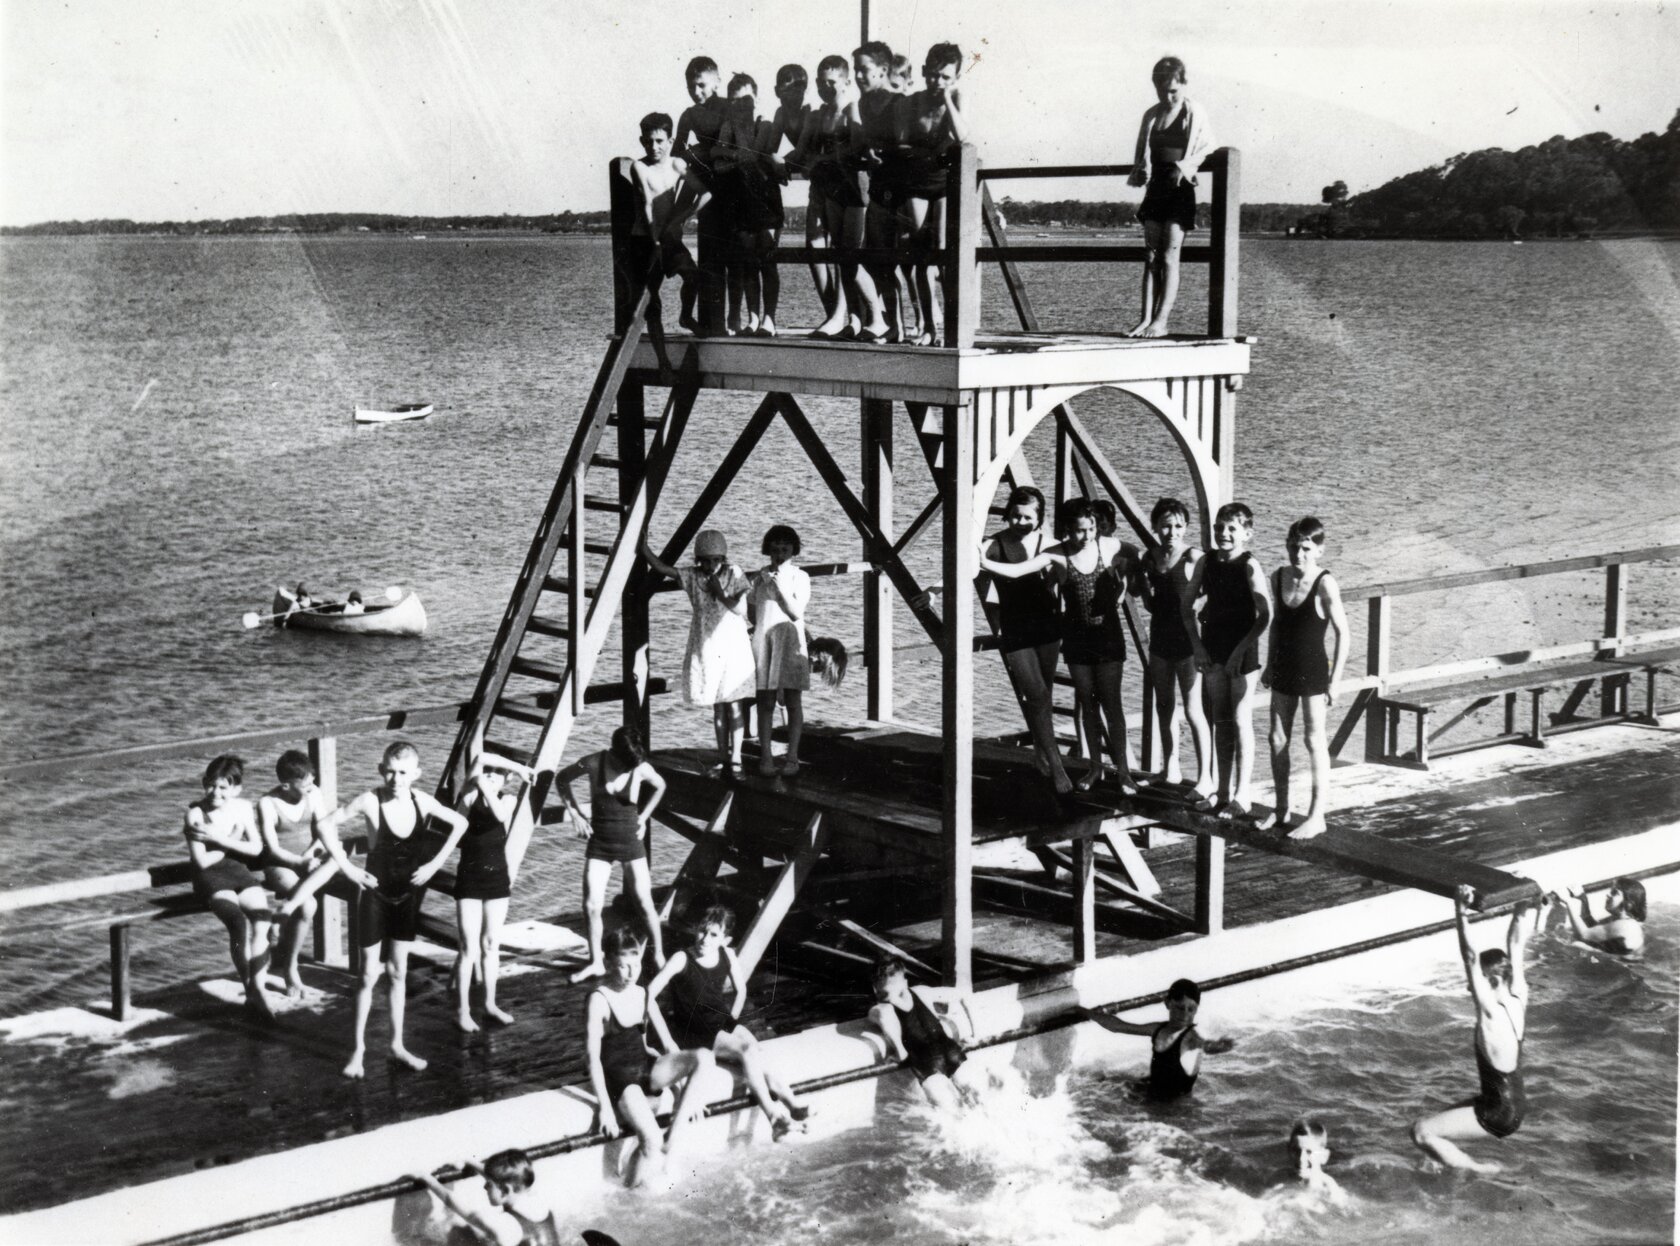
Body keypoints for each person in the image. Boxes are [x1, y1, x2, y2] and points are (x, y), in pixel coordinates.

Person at [315, 740, 468, 1079]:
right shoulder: (370, 800)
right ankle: (358, 1050)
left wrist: (433, 865)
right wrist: (349, 869)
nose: (395, 778)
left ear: (415, 774)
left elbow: (460, 824)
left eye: (402, 772)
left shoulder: (422, 801)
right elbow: (325, 824)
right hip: (375, 896)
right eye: (389, 771)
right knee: (369, 974)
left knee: (398, 972)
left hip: (407, 898)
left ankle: (397, 1045)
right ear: (380, 769)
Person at [979, 497, 1147, 798]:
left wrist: (1128, 585)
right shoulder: (1056, 554)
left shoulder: (1109, 547)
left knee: (1113, 705)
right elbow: (1020, 571)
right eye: (1080, 531)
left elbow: (1138, 557)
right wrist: (984, 562)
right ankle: (1095, 768)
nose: (1087, 536)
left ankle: (1123, 773)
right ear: (1068, 529)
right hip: (1077, 637)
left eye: (1092, 529)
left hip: (1108, 636)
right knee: (1087, 704)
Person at [1411, 886, 1546, 1173]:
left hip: (1497, 1113)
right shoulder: (1518, 994)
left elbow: (1470, 957)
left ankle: (1481, 1170)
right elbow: (1516, 944)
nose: (1469, 986)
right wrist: (1522, 901)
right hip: (1511, 1104)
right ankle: (1442, 1168)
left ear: (1491, 982)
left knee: (1421, 1131)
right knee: (1434, 1124)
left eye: (1476, 982)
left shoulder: (1490, 1012)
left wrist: (1460, 910)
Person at [648, 906, 810, 1138]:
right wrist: (667, 1042)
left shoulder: (727, 954)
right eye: (702, 931)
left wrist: (731, 1021)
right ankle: (774, 1117)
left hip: (719, 1021)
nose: (704, 939)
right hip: (693, 1029)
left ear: (726, 939)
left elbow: (741, 990)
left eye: (713, 935)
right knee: (745, 1050)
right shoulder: (681, 959)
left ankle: (791, 1104)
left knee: (756, 1051)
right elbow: (648, 996)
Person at [585, 926, 714, 1187]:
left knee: (704, 1057)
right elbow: (592, 1059)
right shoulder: (599, 999)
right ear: (609, 964)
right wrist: (606, 1110)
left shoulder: (642, 993)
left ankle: (674, 1135)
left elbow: (669, 1044)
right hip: (620, 1079)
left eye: (636, 965)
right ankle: (629, 1195)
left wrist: (689, 1094)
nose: (632, 973)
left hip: (645, 1067)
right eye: (623, 966)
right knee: (651, 1140)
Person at [1258, 518, 1349, 839]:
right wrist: (1269, 664)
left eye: (1306, 548)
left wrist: (1335, 681)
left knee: (1313, 740)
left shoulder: (1325, 583)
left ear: (1319, 551)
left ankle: (1316, 816)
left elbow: (1344, 634)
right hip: (1283, 666)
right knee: (1277, 737)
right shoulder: (1278, 576)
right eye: (1294, 546)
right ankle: (1281, 808)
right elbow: (1277, 625)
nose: (1299, 553)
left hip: (1312, 671)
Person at [556, 726, 669, 979]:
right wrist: (575, 813)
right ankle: (596, 961)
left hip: (631, 840)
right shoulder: (594, 761)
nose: (630, 768)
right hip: (600, 841)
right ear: (615, 752)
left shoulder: (639, 767)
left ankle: (659, 953)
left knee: (644, 901)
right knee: (591, 904)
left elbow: (661, 786)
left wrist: (645, 818)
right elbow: (561, 779)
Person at [641, 528, 756, 775]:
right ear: (699, 559)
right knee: (717, 705)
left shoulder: (734, 573)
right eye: (706, 560)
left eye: (716, 560)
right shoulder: (693, 576)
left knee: (734, 704)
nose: (711, 565)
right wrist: (644, 548)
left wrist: (721, 593)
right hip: (707, 646)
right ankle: (723, 755)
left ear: (723, 558)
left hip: (733, 646)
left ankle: (736, 757)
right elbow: (663, 569)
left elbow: (741, 610)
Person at [1181, 502, 1270, 816]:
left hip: (1243, 651)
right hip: (1213, 646)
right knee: (1220, 719)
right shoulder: (1207, 562)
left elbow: (1265, 615)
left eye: (1232, 528)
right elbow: (1186, 606)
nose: (1224, 534)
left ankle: (1242, 794)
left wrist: (1239, 653)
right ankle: (1221, 792)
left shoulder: (1249, 565)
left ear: (1247, 533)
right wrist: (1198, 647)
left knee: (1241, 718)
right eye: (1219, 528)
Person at [450, 724, 534, 1032]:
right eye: (487, 772)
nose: (488, 777)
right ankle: (462, 1010)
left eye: (496, 775)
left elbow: (499, 816)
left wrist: (506, 777)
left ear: (506, 780)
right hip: (469, 879)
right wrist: (509, 769)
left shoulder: (508, 801)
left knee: (490, 943)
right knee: (467, 947)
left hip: (497, 879)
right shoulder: (469, 796)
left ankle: (489, 1003)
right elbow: (482, 756)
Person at [183, 754, 277, 1017]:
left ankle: (257, 989)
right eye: (211, 785)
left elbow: (257, 847)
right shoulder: (195, 813)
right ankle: (251, 990)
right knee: (238, 922)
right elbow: (201, 861)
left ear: (236, 789)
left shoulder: (243, 808)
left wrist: (221, 839)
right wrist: (229, 840)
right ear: (204, 783)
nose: (216, 792)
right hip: (210, 878)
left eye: (224, 787)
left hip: (238, 872)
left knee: (263, 919)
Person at [1131, 498, 1214, 797]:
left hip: (1189, 644)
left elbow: (1213, 592)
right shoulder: (1150, 559)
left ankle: (1206, 777)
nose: (1172, 531)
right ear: (1155, 526)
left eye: (1179, 526)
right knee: (1164, 706)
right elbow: (1152, 603)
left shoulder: (1194, 557)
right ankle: (1171, 768)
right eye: (1165, 525)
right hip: (1160, 642)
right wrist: (1141, 587)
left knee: (1193, 710)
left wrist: (1200, 609)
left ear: (1186, 528)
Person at [1125, 56, 1213, 338]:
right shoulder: (1151, 115)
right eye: (1162, 90)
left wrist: (1183, 167)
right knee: (1150, 256)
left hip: (1180, 189)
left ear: (1184, 84)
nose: (1168, 96)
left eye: (1173, 90)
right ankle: (1144, 319)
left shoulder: (1194, 112)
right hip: (1156, 188)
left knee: (1169, 256)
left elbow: (1206, 146)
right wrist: (1140, 169)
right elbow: (1142, 152)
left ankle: (1161, 321)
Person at [892, 42, 969, 346]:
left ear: (956, 78)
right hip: (917, 182)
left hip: (946, 181)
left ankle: (950, 323)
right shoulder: (911, 103)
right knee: (922, 254)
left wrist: (948, 100)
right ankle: (929, 326)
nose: (938, 82)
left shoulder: (957, 97)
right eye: (934, 76)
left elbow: (963, 136)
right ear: (924, 72)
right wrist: (925, 150)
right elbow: (900, 142)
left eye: (946, 77)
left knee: (942, 251)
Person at [793, 54, 863, 339]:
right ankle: (834, 314)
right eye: (821, 83)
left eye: (831, 82)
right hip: (821, 189)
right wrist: (770, 161)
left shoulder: (852, 110)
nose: (825, 88)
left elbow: (856, 148)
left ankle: (853, 318)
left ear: (846, 82)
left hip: (849, 189)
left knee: (846, 254)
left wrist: (820, 159)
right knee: (816, 249)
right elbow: (800, 152)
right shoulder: (816, 115)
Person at [255, 749, 333, 998]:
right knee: (308, 906)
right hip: (281, 864)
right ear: (286, 785)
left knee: (339, 856)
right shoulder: (268, 803)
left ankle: (283, 920)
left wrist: (310, 856)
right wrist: (299, 862)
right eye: (306, 785)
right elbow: (273, 848)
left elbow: (322, 831)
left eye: (312, 782)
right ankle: (290, 970)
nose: (312, 788)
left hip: (309, 858)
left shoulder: (314, 793)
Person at [1079, 977, 1235, 1100]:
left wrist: (1217, 1047)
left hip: (1175, 1108)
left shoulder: (1191, 1037)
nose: (1185, 1014)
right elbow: (1118, 1026)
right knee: (1102, 1079)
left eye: (1191, 1009)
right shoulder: (1158, 1029)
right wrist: (1084, 1012)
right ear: (1168, 1004)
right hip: (1152, 1092)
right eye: (1180, 1008)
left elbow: (1204, 1045)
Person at [715, 75, 783, 337]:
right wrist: (735, 156)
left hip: (766, 199)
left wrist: (733, 157)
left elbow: (757, 155)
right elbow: (718, 162)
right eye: (735, 102)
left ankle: (770, 318)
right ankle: (753, 317)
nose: (741, 106)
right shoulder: (729, 125)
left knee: (767, 258)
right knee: (748, 261)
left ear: (756, 99)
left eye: (746, 100)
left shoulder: (764, 124)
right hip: (742, 200)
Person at [630, 112, 709, 334]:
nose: (653, 147)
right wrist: (654, 241)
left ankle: (685, 317)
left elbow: (705, 192)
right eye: (648, 141)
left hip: (667, 238)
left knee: (693, 276)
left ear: (671, 141)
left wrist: (685, 216)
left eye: (659, 141)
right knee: (652, 301)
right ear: (641, 141)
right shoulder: (639, 167)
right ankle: (663, 363)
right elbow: (647, 203)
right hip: (646, 238)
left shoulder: (677, 164)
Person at [867, 957, 979, 1111]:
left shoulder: (881, 1007)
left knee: (950, 1114)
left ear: (875, 988)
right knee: (977, 1100)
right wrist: (975, 1035)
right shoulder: (922, 992)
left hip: (925, 1061)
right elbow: (964, 994)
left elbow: (883, 1016)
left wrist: (900, 1052)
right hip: (950, 1049)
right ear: (904, 981)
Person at [847, 40, 902, 343]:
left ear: (882, 71)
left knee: (904, 264)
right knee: (878, 261)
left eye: (864, 70)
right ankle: (887, 325)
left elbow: (908, 142)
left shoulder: (898, 103)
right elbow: (868, 141)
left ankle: (908, 327)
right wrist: (868, 152)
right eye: (855, 70)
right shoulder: (865, 103)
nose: (858, 76)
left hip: (904, 189)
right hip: (880, 188)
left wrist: (886, 153)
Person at [749, 524, 812, 777]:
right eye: (775, 549)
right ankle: (766, 756)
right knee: (765, 702)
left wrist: (778, 589)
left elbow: (796, 612)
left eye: (785, 549)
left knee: (793, 701)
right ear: (768, 551)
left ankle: (792, 756)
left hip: (791, 641)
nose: (780, 554)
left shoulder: (800, 576)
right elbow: (753, 612)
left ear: (793, 550)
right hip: (766, 641)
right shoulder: (759, 577)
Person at [673, 56, 730, 336]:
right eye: (691, 86)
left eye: (701, 85)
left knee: (732, 255)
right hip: (704, 180)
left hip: (728, 181)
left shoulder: (729, 107)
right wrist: (697, 154)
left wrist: (703, 152)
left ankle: (731, 321)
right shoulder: (689, 114)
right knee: (709, 254)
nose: (696, 92)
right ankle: (710, 322)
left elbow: (735, 142)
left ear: (717, 81)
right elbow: (677, 154)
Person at [410, 1148, 560, 1246]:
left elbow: (453, 1202)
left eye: (488, 1184)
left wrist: (426, 1178)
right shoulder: (536, 1200)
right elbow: (504, 1179)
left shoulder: (505, 1226)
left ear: (505, 1190)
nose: (485, 1187)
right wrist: (471, 1161)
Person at [1554, 878, 1645, 955]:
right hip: (1618, 962)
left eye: (1614, 893)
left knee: (1577, 945)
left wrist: (1568, 902)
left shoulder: (1625, 925)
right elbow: (1593, 929)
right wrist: (1583, 898)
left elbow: (1584, 935)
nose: (1608, 894)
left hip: (1617, 969)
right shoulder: (1625, 921)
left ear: (1629, 904)